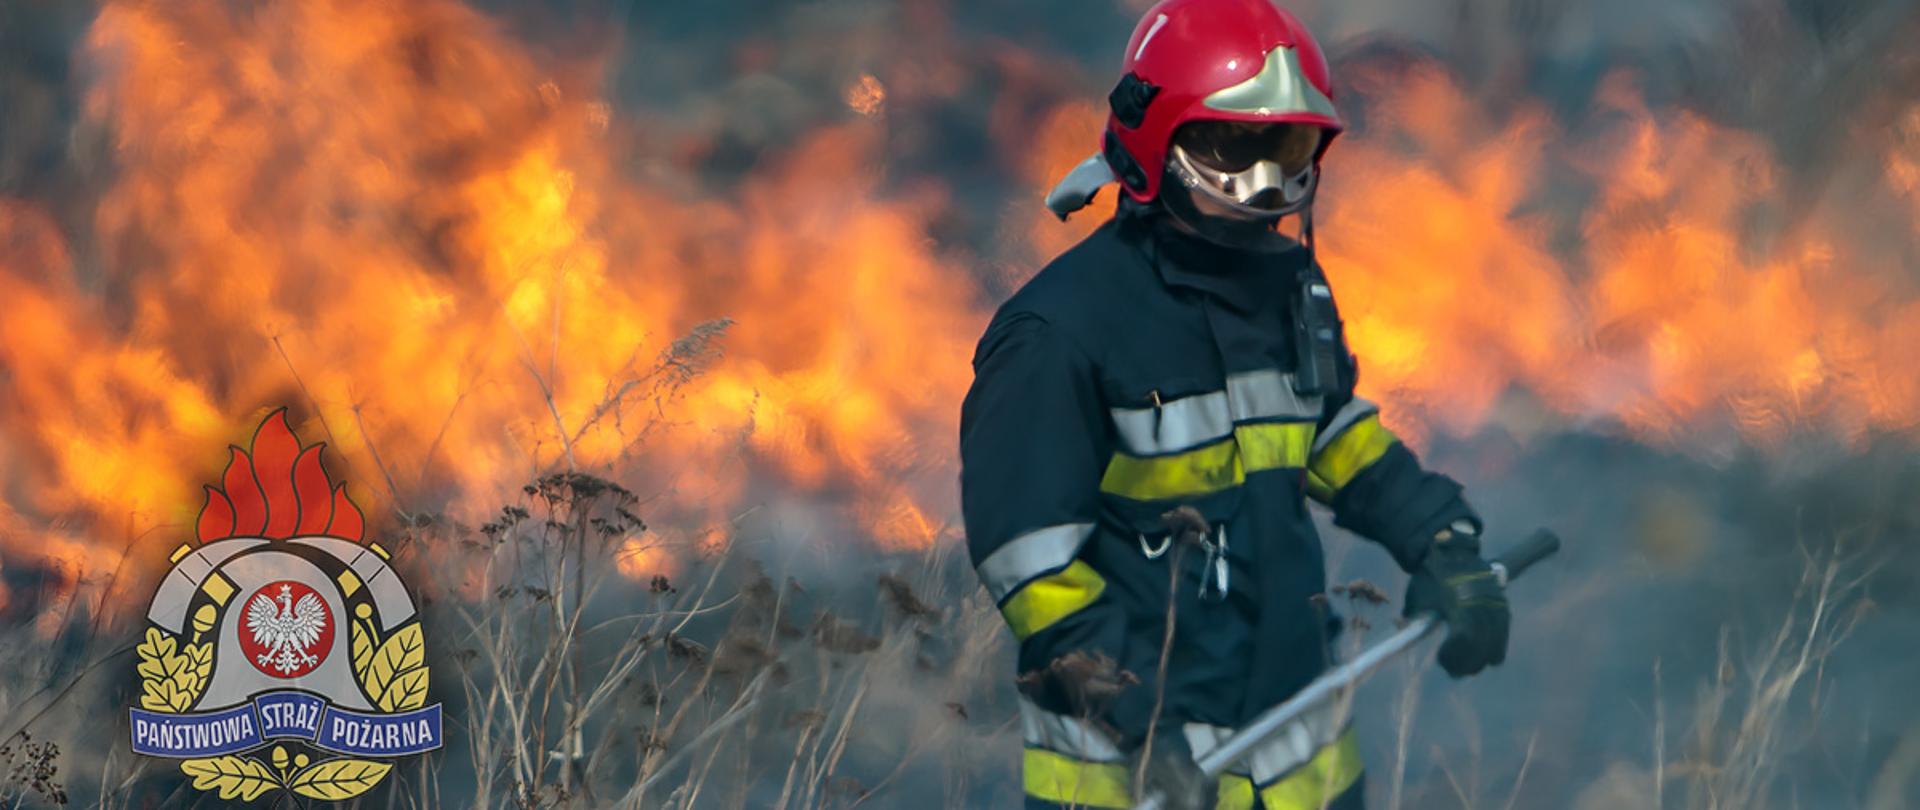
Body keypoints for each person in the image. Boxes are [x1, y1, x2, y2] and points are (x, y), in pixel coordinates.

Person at [958, 1, 1512, 808]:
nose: (1266, 183)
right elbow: (1030, 564)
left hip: (1304, 769)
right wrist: (1138, 724)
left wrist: (1443, 542)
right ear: (1158, 137)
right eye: (1234, 146)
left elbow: (1331, 435)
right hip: (1136, 778)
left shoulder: (1287, 287)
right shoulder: (1059, 335)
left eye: (1286, 150)